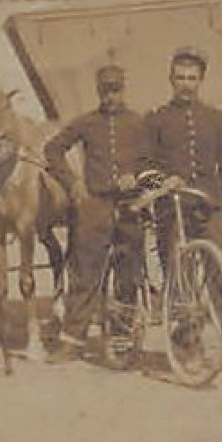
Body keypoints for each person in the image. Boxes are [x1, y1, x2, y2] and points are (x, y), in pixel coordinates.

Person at [146, 46, 222, 373]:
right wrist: (160, 180)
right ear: (171, 79)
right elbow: (144, 166)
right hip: (173, 210)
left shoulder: (216, 119)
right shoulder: (156, 119)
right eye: (180, 77)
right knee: (180, 282)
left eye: (192, 78)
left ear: (201, 81)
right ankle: (189, 346)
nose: (186, 84)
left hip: (213, 206)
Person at [43, 63, 154, 361]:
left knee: (129, 273)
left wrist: (138, 177)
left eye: (116, 89)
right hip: (95, 206)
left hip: (130, 206)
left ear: (124, 89)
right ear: (98, 91)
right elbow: (52, 150)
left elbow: (151, 163)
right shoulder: (87, 122)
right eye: (106, 90)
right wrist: (72, 183)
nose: (111, 96)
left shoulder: (138, 123)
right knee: (85, 272)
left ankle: (122, 335)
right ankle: (72, 340)